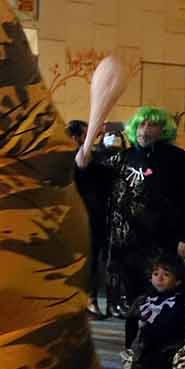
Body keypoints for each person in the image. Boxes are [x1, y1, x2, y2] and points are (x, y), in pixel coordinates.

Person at [101, 106, 185, 315]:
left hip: (162, 242)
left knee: (161, 302)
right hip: (125, 243)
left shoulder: (179, 160)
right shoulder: (122, 157)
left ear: (163, 131)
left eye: (152, 125)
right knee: (133, 304)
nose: (145, 129)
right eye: (141, 124)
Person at [66, 119, 110, 314]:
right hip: (71, 218)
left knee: (92, 260)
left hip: (94, 218)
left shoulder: (98, 157)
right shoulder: (64, 159)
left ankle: (90, 298)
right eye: (87, 135)